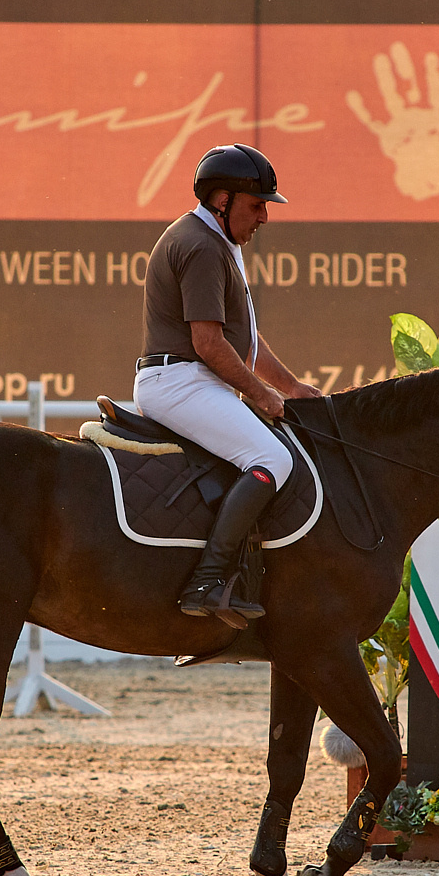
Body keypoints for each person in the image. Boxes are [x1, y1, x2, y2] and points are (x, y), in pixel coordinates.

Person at [135, 144, 322, 623]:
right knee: (273, 457)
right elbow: (210, 344)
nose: (264, 217)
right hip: (178, 381)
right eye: (256, 205)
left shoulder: (215, 240)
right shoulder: (200, 246)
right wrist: (263, 395)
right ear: (222, 200)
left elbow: (246, 339)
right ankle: (208, 580)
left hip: (188, 378)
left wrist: (292, 387)